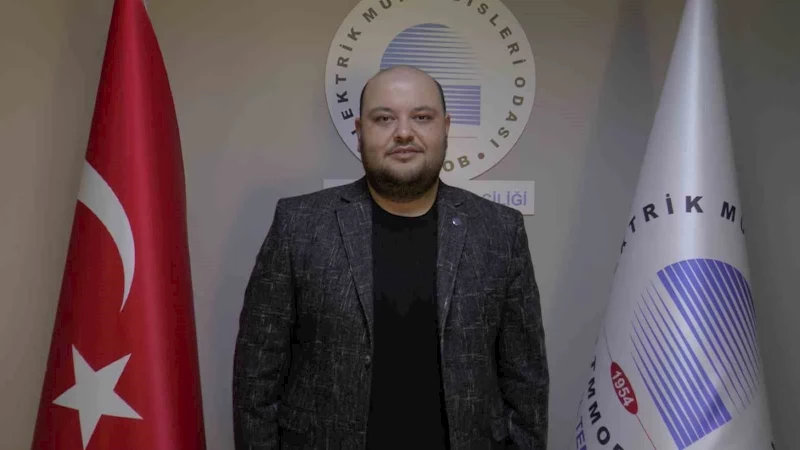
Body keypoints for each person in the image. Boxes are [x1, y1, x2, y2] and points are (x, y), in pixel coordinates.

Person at [232, 65, 549, 449]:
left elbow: (526, 381)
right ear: (360, 131)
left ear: (445, 128)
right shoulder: (298, 224)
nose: (403, 132)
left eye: (422, 117)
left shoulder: (500, 230)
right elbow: (256, 378)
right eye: (384, 118)